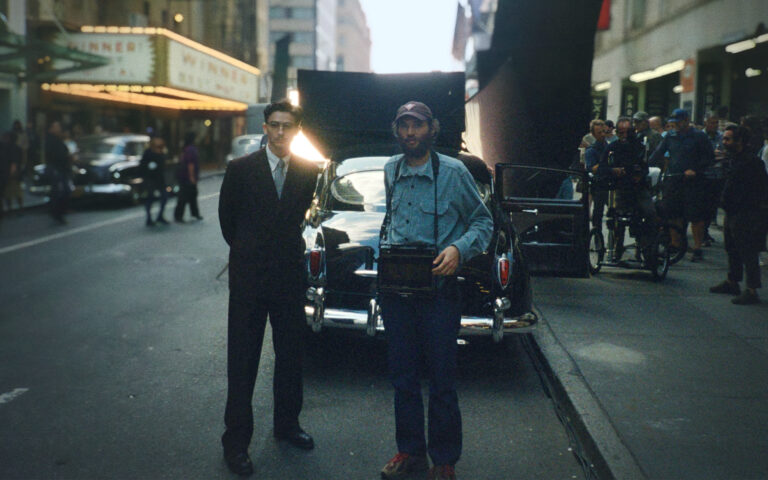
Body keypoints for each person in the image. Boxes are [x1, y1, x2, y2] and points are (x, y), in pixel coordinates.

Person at [378, 101, 493, 480]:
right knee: (403, 377)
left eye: (418, 126)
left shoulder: (454, 172)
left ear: (432, 129)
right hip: (398, 292)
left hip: (439, 292)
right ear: (397, 131)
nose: (410, 133)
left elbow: (482, 222)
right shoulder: (390, 169)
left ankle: (444, 460)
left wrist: (458, 250)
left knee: (442, 379)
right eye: (404, 126)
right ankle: (409, 451)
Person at [218, 100, 319, 477]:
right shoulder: (241, 169)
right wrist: (248, 252)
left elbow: (297, 219)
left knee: (291, 355)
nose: (279, 132)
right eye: (274, 125)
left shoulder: (309, 172)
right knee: (242, 361)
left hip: (289, 277)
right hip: (248, 280)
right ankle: (236, 443)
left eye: (287, 126)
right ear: (265, 127)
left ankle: (288, 425)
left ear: (297, 130)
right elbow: (228, 222)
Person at [709, 125, 768, 304]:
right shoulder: (733, 159)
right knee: (732, 248)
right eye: (724, 138)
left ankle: (752, 290)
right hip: (732, 210)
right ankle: (732, 281)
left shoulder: (751, 162)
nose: (724, 142)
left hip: (747, 212)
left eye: (728, 139)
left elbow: (761, 188)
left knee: (747, 250)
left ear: (739, 141)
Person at [650, 108, 714, 261]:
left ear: (686, 121)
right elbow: (658, 153)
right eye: (673, 122)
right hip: (673, 180)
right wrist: (646, 165)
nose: (675, 125)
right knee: (673, 213)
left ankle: (697, 248)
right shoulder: (670, 137)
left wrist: (696, 170)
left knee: (695, 215)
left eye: (678, 122)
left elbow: (709, 158)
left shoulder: (699, 136)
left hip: (694, 182)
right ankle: (675, 244)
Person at [596, 117, 656, 261]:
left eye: (627, 132)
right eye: (621, 132)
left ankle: (648, 249)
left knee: (650, 213)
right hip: (620, 188)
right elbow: (602, 167)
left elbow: (645, 168)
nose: (624, 136)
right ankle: (618, 249)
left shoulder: (639, 147)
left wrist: (639, 175)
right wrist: (613, 171)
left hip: (639, 188)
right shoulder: (612, 147)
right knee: (618, 217)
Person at [701, 111, 725, 244]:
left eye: (716, 123)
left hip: (718, 175)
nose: (714, 125)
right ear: (705, 123)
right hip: (705, 175)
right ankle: (702, 232)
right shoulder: (701, 136)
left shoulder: (721, 137)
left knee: (713, 207)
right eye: (711, 122)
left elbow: (725, 152)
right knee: (704, 207)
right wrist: (711, 155)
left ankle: (706, 230)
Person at [45, 121, 72, 225]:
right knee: (60, 191)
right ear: (51, 128)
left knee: (64, 190)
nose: (59, 129)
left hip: (61, 168)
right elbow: (56, 155)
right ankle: (57, 212)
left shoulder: (58, 139)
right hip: (57, 168)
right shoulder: (51, 140)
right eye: (57, 127)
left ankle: (59, 211)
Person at [139, 136, 169, 226]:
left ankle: (160, 216)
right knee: (150, 198)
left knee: (164, 196)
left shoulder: (162, 151)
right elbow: (142, 166)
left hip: (160, 179)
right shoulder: (148, 152)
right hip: (150, 179)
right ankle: (149, 218)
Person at [584, 119, 608, 230]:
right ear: (593, 134)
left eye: (604, 131)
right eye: (599, 132)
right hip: (599, 184)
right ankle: (597, 235)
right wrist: (605, 161)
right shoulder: (591, 150)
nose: (603, 134)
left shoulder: (610, 146)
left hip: (612, 183)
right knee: (598, 212)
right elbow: (591, 168)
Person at [174, 132, 202, 222]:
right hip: (187, 177)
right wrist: (192, 176)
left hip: (184, 176)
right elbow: (191, 164)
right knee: (185, 196)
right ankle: (179, 215)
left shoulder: (185, 149)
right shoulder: (191, 149)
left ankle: (194, 213)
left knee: (191, 195)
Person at [2, 132, 24, 212]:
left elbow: (13, 163)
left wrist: (11, 173)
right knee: (17, 192)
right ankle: (20, 207)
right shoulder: (17, 148)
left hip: (10, 173)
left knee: (9, 192)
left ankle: (10, 208)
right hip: (16, 173)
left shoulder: (8, 148)